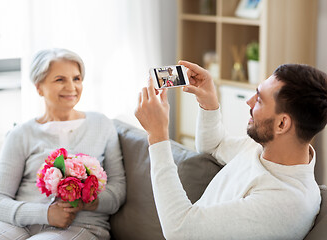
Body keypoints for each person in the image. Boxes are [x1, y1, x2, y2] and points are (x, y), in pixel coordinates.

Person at [135, 60, 327, 240]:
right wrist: (209, 102)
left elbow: (179, 229)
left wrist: (157, 136)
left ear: (282, 124)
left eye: (259, 100)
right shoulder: (266, 148)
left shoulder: (286, 204)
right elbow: (214, 145)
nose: (249, 102)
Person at [0, 48, 126, 240]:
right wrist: (46, 214)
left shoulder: (102, 124)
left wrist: (85, 202)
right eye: (60, 79)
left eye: (76, 78)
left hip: (80, 226)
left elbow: (117, 193)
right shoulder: (20, 134)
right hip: (17, 225)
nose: (71, 87)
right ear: (39, 87)